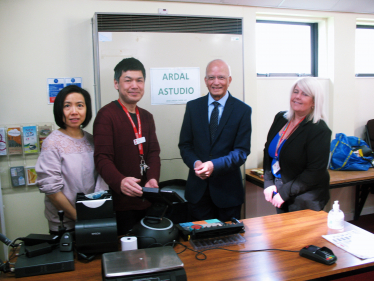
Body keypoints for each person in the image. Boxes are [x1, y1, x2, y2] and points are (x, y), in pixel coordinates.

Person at [93, 57, 161, 235]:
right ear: (116, 84)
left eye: (139, 80)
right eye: (128, 80)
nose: (135, 85)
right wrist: (120, 181)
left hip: (146, 198)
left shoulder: (146, 116)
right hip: (120, 202)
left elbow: (153, 152)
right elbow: (102, 158)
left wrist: (153, 178)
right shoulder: (106, 115)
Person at [178, 59, 252, 222]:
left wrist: (214, 166)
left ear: (229, 80)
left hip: (228, 195)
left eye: (221, 77)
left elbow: (241, 152)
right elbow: (185, 145)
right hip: (198, 193)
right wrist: (196, 162)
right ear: (205, 81)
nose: (216, 82)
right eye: (211, 77)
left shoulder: (243, 111)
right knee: (198, 245)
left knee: (230, 243)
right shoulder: (193, 107)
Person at [36, 85, 108, 234]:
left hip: (92, 217)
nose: (74, 111)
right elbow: (52, 191)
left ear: (86, 109)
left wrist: (93, 214)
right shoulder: (52, 143)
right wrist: (79, 218)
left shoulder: (92, 140)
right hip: (66, 225)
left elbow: (101, 177)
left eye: (80, 105)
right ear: (59, 110)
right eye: (67, 106)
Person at [263, 77, 332, 213]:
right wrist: (268, 183)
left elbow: (314, 172)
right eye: (295, 92)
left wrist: (284, 193)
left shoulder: (319, 130)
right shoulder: (280, 118)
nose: (297, 97)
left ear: (314, 101)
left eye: (305, 94)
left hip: (306, 196)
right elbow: (268, 151)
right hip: (280, 189)